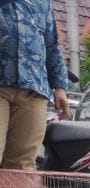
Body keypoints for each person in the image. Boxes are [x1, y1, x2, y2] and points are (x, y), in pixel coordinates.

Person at [0, 0, 70, 170]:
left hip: (34, 91)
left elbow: (52, 44)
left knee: (22, 165)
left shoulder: (43, 3)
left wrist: (60, 87)